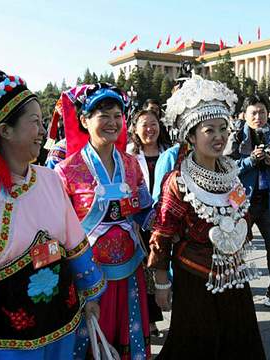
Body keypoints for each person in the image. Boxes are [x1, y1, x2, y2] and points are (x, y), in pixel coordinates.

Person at [0, 68, 105, 360]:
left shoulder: (49, 179)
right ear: (5, 130)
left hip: (64, 324)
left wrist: (90, 293)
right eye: (34, 122)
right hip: (11, 343)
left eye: (42, 121)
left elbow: (73, 241)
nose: (43, 131)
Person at [148, 75, 265, 359]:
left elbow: (245, 217)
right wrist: (162, 283)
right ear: (191, 135)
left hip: (233, 273)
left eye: (224, 129)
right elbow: (162, 233)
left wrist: (236, 227)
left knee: (239, 339)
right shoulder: (177, 180)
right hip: (194, 276)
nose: (219, 137)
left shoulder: (231, 174)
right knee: (197, 344)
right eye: (209, 130)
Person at [55, 83, 153, 359]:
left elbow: (145, 211)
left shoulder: (132, 164)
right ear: (84, 120)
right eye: (104, 115)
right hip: (88, 275)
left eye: (117, 116)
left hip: (130, 270)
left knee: (128, 335)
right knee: (90, 344)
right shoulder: (66, 171)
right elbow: (59, 230)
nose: (113, 123)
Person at [224, 94, 270, 311]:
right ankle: (231, 298)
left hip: (268, 203)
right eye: (253, 113)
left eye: (262, 112)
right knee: (233, 253)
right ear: (244, 115)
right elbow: (226, 167)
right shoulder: (235, 137)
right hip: (241, 203)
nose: (258, 117)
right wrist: (250, 161)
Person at [127, 109, 171, 337]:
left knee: (168, 267)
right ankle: (151, 320)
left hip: (168, 218)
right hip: (140, 221)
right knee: (147, 272)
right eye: (144, 125)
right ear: (135, 129)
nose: (149, 129)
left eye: (153, 124)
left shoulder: (170, 153)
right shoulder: (129, 156)